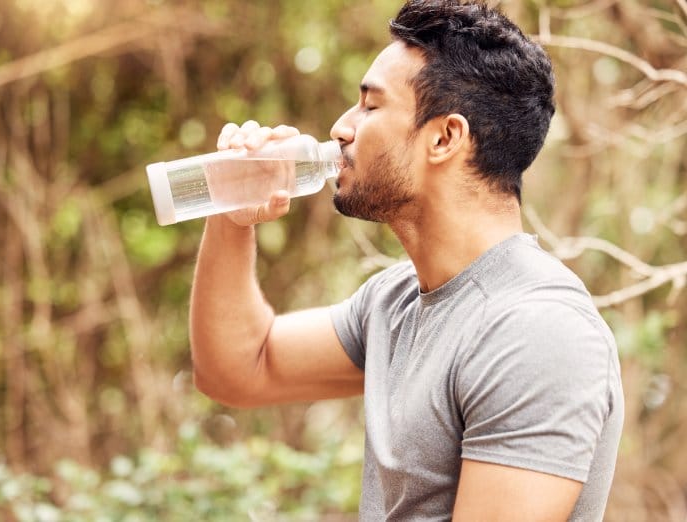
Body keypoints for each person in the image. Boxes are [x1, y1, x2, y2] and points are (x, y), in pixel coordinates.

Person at [189, 1, 624, 520]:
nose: (340, 129)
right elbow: (238, 369)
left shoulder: (535, 330)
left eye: (370, 107)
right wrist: (232, 214)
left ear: (444, 138)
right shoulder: (394, 301)